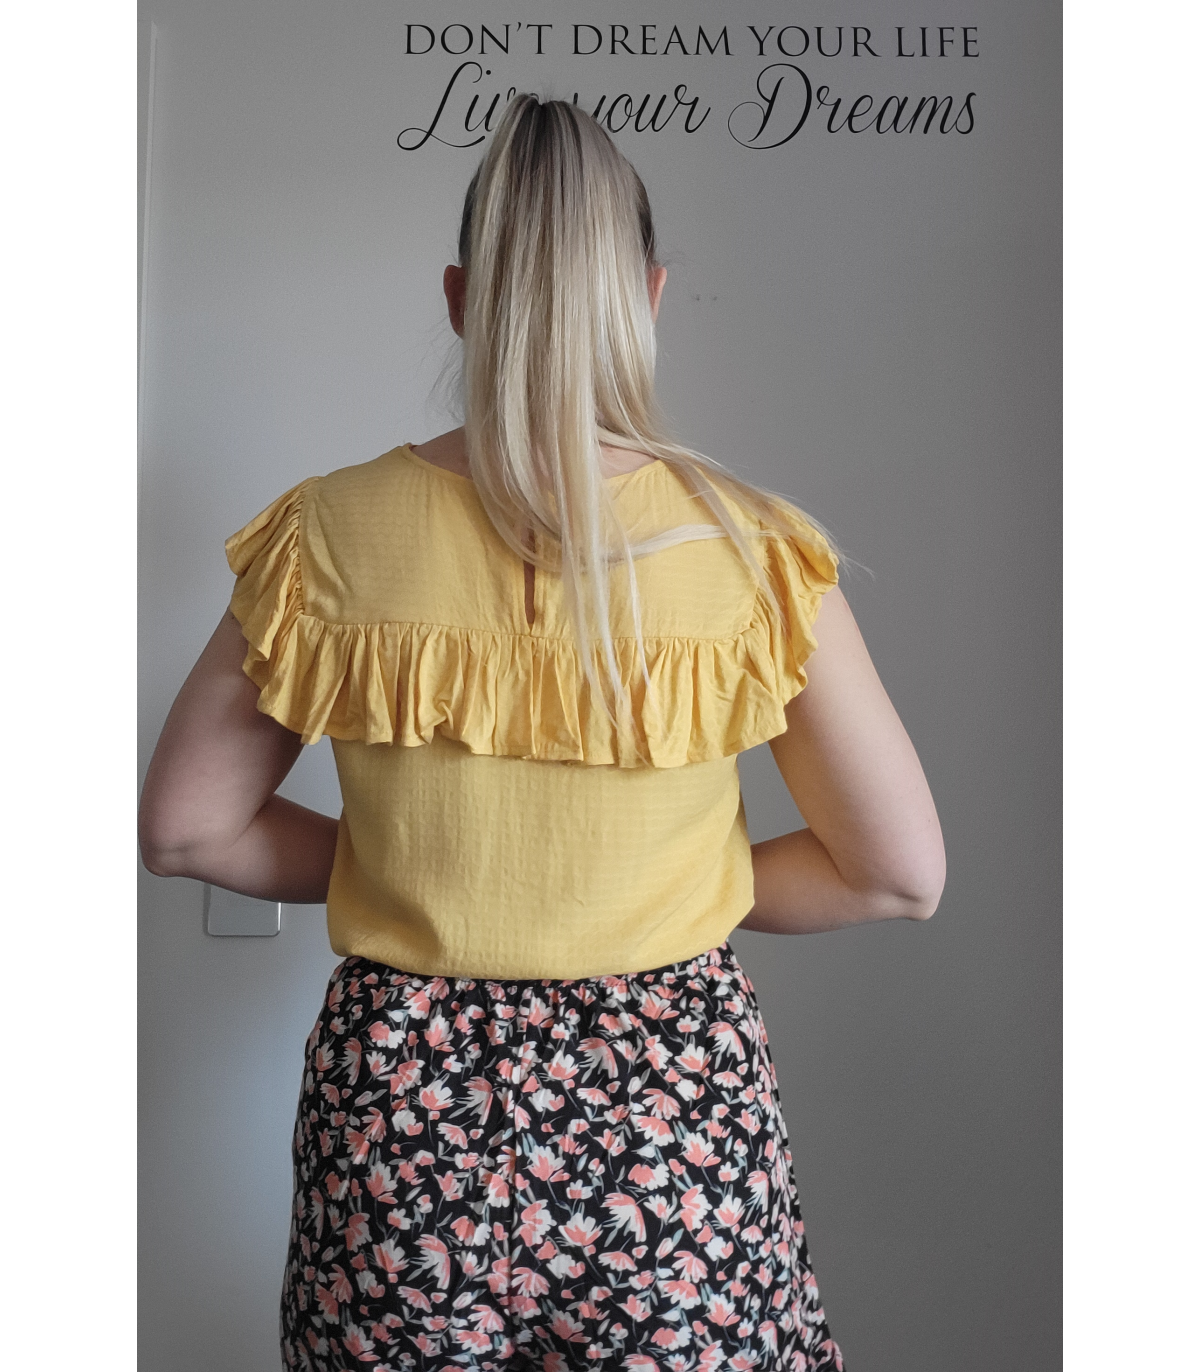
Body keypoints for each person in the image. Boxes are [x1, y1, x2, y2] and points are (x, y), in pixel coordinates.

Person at [139, 95, 944, 1372]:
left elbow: (186, 829)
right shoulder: (754, 550)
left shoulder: (326, 533)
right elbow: (897, 873)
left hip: (400, 1116)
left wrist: (405, 870)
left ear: (463, 299)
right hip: (672, 1122)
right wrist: (659, 887)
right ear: (650, 298)